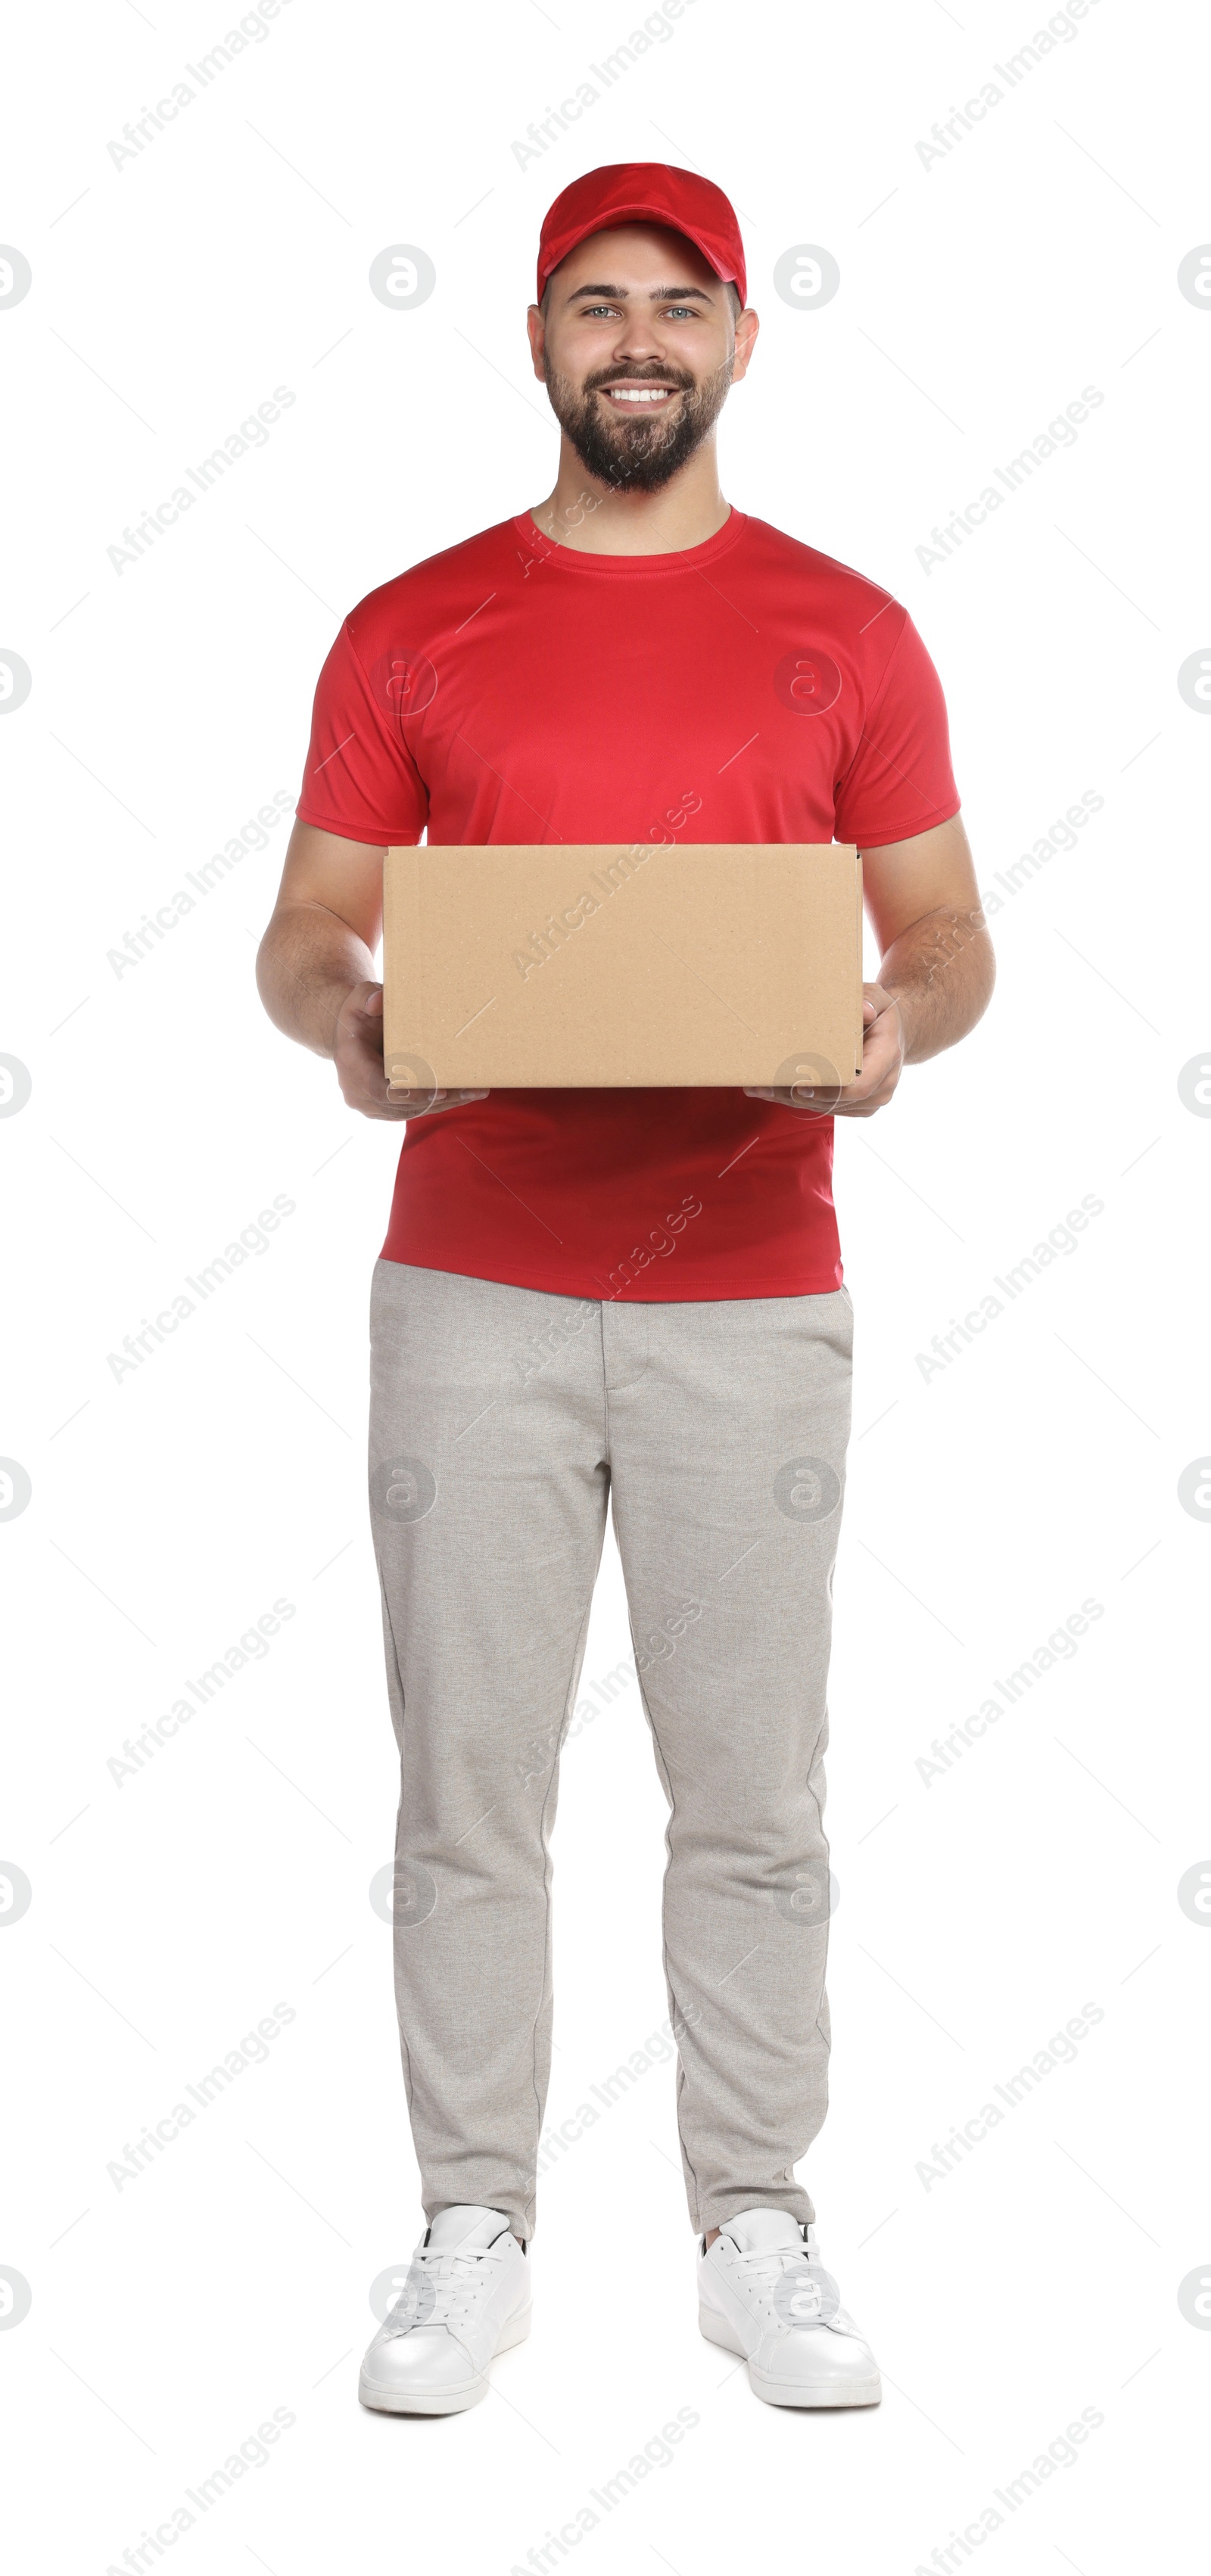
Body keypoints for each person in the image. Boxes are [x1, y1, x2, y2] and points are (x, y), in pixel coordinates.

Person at [257, 160, 994, 2417]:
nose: (639, 339)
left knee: (751, 1788)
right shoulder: (412, 627)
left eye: (679, 302)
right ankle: (470, 2216)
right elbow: (305, 928)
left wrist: (900, 1021)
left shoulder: (849, 632)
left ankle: (752, 2214)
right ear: (542, 336)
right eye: (598, 302)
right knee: (467, 1788)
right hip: (470, 1274)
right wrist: (345, 1017)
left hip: (755, 1285)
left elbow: (951, 934)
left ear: (746, 338)